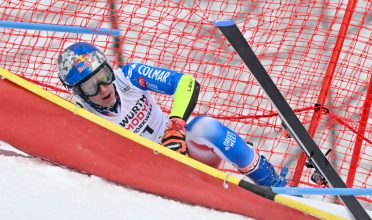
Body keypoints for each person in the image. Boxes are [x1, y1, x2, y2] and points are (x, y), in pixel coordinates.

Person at [57, 42, 288, 187]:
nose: (104, 88)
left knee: (206, 127)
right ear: (78, 92)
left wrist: (176, 126)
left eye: (104, 76)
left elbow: (186, 83)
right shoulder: (77, 113)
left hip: (178, 149)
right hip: (145, 174)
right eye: (91, 87)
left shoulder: (129, 76)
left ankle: (274, 185)